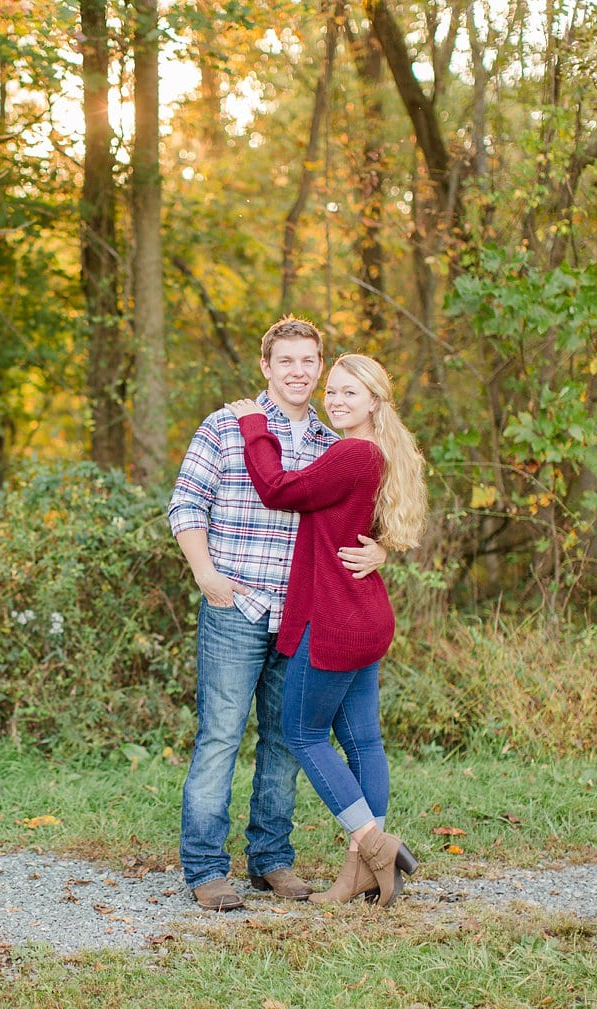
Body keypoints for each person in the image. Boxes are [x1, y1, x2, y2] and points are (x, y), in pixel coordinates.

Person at [168, 318, 386, 911]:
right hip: (236, 605)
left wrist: (383, 548)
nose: (298, 371)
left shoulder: (330, 438)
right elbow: (185, 504)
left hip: (303, 613)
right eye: (285, 360)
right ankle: (208, 868)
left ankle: (271, 860)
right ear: (266, 366)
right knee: (220, 736)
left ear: (320, 368)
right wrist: (208, 578)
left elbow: (371, 510)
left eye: (309, 361)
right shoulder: (226, 425)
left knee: (286, 741)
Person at [224, 352, 427, 907]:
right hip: (365, 612)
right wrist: (383, 548)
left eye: (349, 394)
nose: (335, 401)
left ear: (374, 402)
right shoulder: (377, 453)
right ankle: (362, 872)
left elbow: (280, 490)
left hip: (337, 618)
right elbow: (372, 526)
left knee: (302, 733)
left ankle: (375, 847)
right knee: (363, 739)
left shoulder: (353, 453)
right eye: (331, 391)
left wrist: (254, 426)